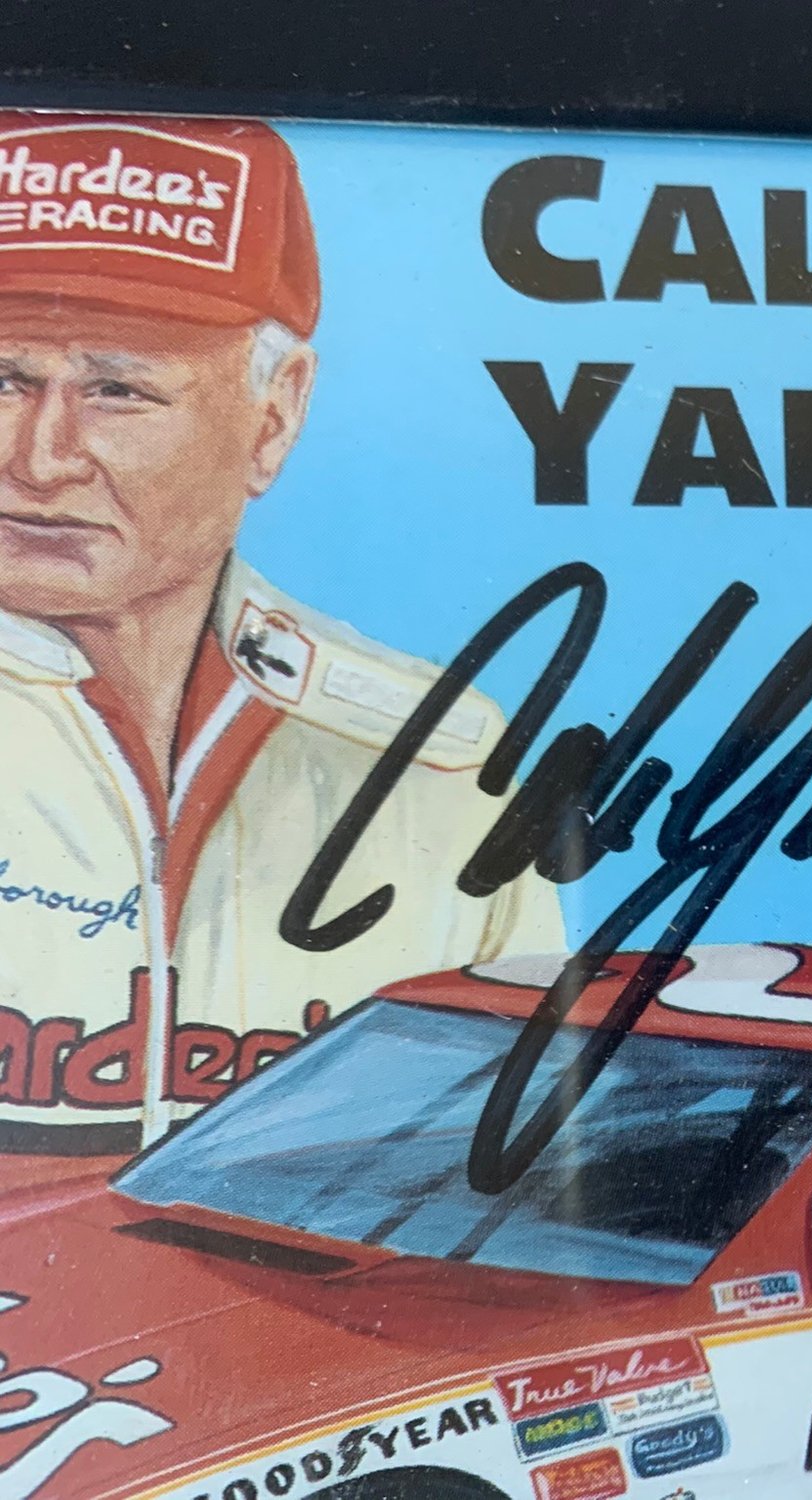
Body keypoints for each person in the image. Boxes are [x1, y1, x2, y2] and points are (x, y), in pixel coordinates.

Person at [0, 113, 563, 1179]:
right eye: (2, 380)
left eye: (117, 389)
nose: (41, 458)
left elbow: (523, 1173)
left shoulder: (435, 752)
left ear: (274, 417)